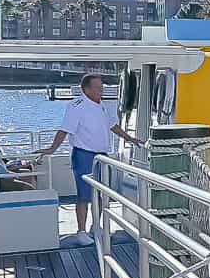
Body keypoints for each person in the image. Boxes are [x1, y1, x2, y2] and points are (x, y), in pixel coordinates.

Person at [40, 73, 141, 245]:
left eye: (102, 87)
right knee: (84, 195)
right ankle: (81, 231)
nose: (101, 90)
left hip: (102, 156)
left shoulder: (102, 105)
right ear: (86, 89)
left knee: (101, 193)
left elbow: (112, 126)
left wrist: (129, 138)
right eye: (97, 87)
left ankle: (96, 225)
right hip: (84, 155)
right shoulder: (77, 105)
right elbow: (65, 129)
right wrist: (52, 148)